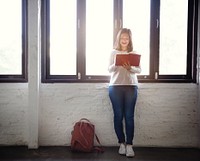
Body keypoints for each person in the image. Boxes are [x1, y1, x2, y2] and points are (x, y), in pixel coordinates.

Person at [108, 28, 141, 157]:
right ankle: (121, 143)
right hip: (115, 86)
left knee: (129, 116)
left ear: (130, 39)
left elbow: (139, 70)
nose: (124, 40)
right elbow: (109, 69)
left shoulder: (134, 52)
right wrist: (117, 63)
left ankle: (129, 145)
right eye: (122, 38)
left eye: (127, 38)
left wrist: (130, 68)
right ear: (119, 39)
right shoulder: (113, 52)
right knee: (118, 116)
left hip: (131, 86)